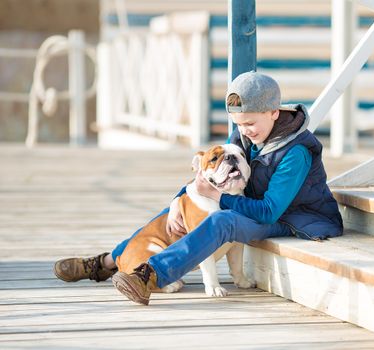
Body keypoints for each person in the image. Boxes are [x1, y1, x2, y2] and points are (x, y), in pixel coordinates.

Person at [54, 71, 343, 305]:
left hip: (296, 220)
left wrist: (217, 196)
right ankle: (105, 262)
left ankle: (150, 275)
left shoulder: (296, 152)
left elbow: (268, 212)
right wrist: (179, 200)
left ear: (273, 112)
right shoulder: (247, 135)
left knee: (221, 219)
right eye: (239, 124)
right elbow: (206, 178)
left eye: (250, 123)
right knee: (170, 213)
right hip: (259, 207)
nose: (244, 131)